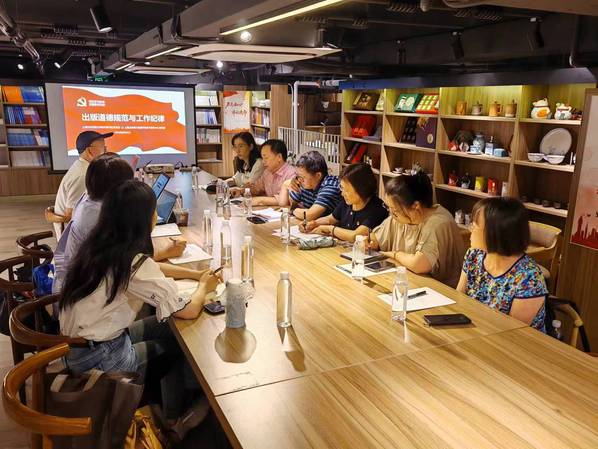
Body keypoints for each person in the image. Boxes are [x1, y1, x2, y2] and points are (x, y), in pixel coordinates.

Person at [59, 180, 220, 436]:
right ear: (142, 219)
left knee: (167, 327)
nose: (156, 216)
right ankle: (173, 422)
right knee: (180, 347)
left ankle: (167, 408)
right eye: (153, 211)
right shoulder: (131, 261)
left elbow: (147, 268)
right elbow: (188, 310)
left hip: (79, 348)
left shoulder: (101, 245)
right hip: (102, 361)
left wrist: (192, 273)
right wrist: (203, 286)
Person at [53, 153, 185, 292]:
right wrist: (164, 251)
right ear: (119, 188)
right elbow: (128, 262)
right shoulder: (102, 217)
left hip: (76, 283)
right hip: (83, 291)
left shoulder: (90, 200)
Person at [457, 197, 548, 331]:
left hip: (510, 341)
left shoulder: (529, 278)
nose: (470, 229)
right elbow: (459, 299)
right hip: (475, 332)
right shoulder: (474, 256)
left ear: (495, 234)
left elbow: (512, 333)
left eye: (475, 226)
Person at [369, 172, 465, 288]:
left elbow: (418, 264)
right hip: (409, 282)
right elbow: (376, 237)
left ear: (416, 206)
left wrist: (395, 254)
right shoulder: (403, 216)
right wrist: (370, 242)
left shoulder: (438, 223)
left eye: (394, 209)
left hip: (438, 290)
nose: (391, 213)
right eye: (388, 207)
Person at [299, 163, 387, 242]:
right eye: (342, 188)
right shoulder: (348, 202)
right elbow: (330, 219)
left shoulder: (377, 209)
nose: (342, 193)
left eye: (347, 190)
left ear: (361, 189)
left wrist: (330, 229)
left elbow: (355, 236)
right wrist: (313, 223)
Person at [53, 130, 112, 238]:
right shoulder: (83, 175)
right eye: (103, 148)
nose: (106, 151)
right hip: (72, 237)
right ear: (89, 151)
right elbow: (71, 215)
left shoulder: (83, 167)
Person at [231, 139, 295, 206]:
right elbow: (257, 188)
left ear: (279, 157)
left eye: (266, 158)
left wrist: (260, 200)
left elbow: (286, 200)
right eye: (262, 158)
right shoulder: (267, 172)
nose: (263, 162)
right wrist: (241, 191)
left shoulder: (291, 173)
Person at [287, 150, 342, 220]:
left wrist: (294, 210)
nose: (299, 180)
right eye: (297, 176)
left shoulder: (330, 186)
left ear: (318, 175)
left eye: (302, 177)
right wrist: (293, 187)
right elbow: (292, 204)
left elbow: (309, 215)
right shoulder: (304, 182)